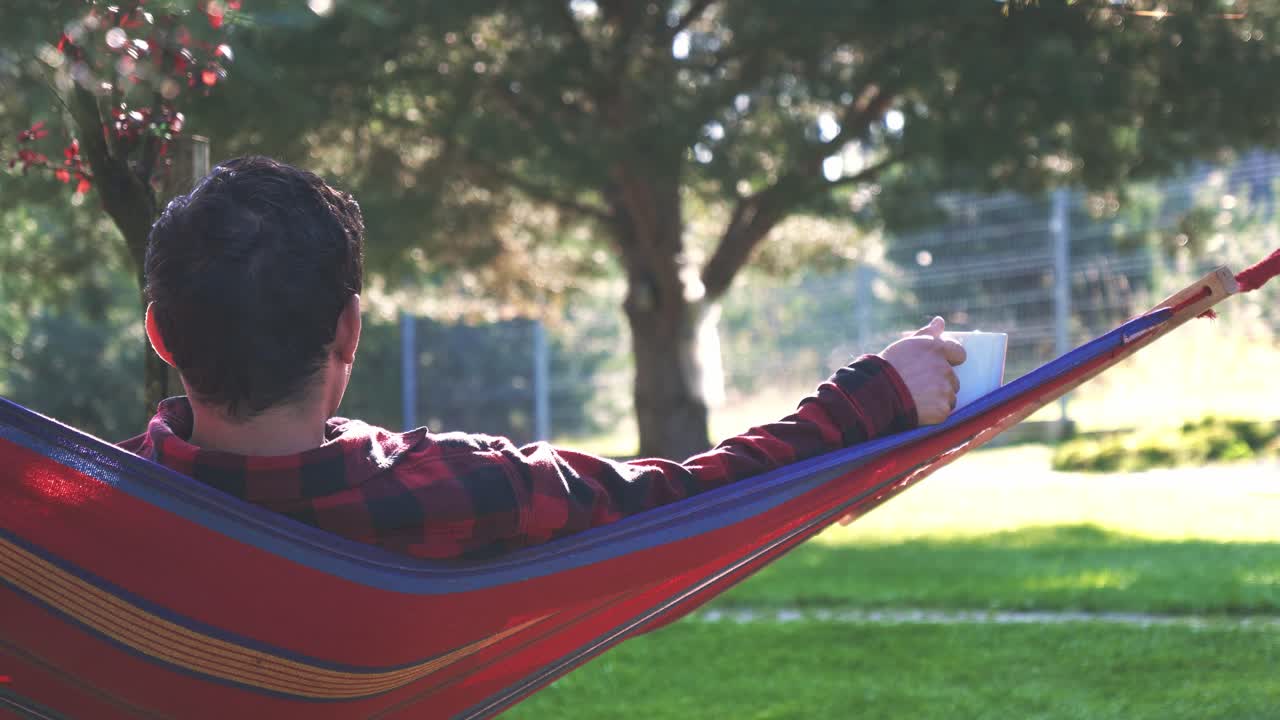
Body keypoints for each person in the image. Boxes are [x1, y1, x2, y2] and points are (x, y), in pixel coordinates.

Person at [120, 156, 966, 560]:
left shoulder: (79, 516)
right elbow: (692, 502)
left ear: (159, 335)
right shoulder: (475, 490)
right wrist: (877, 394)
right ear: (350, 329)